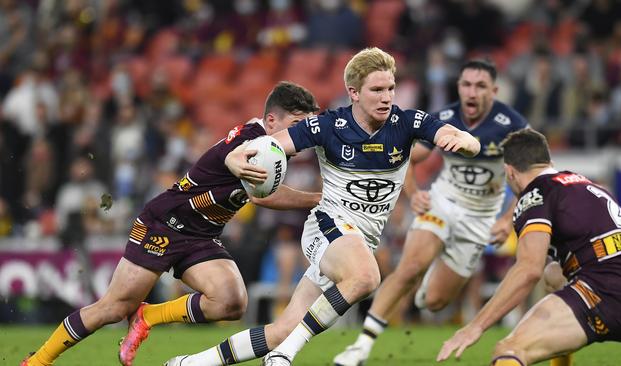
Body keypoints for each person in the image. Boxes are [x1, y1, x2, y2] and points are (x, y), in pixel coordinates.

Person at [164, 47, 480, 366]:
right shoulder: (328, 126)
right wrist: (236, 155)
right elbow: (272, 144)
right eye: (377, 90)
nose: (386, 97)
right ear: (354, 93)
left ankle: (188, 363)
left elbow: (454, 134)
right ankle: (285, 355)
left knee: (284, 327)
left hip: (360, 239)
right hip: (328, 228)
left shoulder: (408, 122)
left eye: (390, 88)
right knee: (366, 277)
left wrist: (467, 142)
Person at [21, 81, 322, 366]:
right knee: (113, 308)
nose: (302, 135)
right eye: (297, 125)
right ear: (271, 120)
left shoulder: (274, 146)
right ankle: (37, 360)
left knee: (231, 302)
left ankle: (149, 316)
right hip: (165, 224)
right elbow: (255, 187)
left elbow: (254, 187)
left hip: (201, 233)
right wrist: (321, 199)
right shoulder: (257, 143)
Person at [332, 59, 528, 366]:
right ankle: (361, 346)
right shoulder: (445, 118)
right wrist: (413, 194)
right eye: (465, 85)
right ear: (459, 87)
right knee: (410, 266)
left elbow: (531, 179)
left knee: (435, 302)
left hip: (480, 218)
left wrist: (507, 219)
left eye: (480, 86)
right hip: (443, 203)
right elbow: (405, 157)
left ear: (494, 90)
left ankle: (425, 287)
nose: (471, 92)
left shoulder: (512, 125)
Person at [437, 129, 621, 366]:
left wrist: (475, 326)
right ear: (550, 162)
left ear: (510, 172)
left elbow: (529, 270)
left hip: (603, 296)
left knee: (510, 349)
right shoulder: (592, 187)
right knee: (554, 275)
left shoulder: (535, 194)